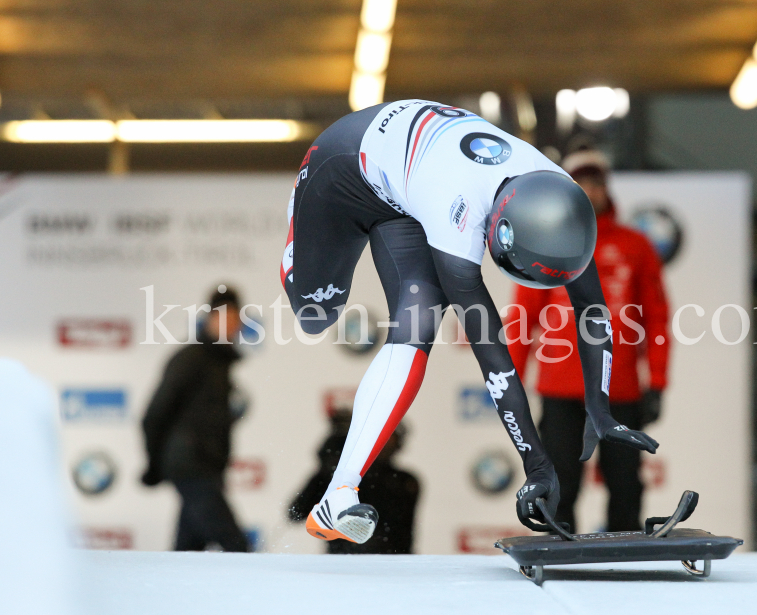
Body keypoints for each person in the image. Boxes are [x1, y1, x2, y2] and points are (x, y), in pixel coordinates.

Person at [281, 100, 659, 545]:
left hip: (411, 180)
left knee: (416, 326)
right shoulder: (456, 218)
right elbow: (493, 359)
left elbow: (593, 311)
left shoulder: (561, 197)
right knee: (315, 313)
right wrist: (538, 466)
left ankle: (338, 494)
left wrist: (600, 405)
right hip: (341, 166)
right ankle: (295, 263)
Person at [505, 150, 670, 532]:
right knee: (559, 480)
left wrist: (657, 382)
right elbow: (523, 317)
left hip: (620, 389)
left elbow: (656, 320)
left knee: (625, 482)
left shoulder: (636, 246)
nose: (590, 191)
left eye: (596, 183)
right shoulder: (546, 241)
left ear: (606, 188)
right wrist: (510, 380)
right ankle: (558, 545)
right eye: (581, 183)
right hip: (560, 388)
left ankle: (625, 546)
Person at [141, 285, 250, 552]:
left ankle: (172, 592)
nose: (231, 325)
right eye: (224, 317)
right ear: (210, 318)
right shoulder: (190, 359)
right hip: (191, 466)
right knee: (236, 545)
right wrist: (155, 464)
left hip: (206, 467)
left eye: (235, 318)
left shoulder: (220, 363)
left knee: (187, 551)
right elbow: (154, 415)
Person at [288, 409, 420, 554]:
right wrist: (329, 464)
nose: (381, 443)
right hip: (342, 566)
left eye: (387, 437)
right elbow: (296, 513)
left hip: (391, 564)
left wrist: (344, 460)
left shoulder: (405, 481)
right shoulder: (338, 478)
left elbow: (384, 523)